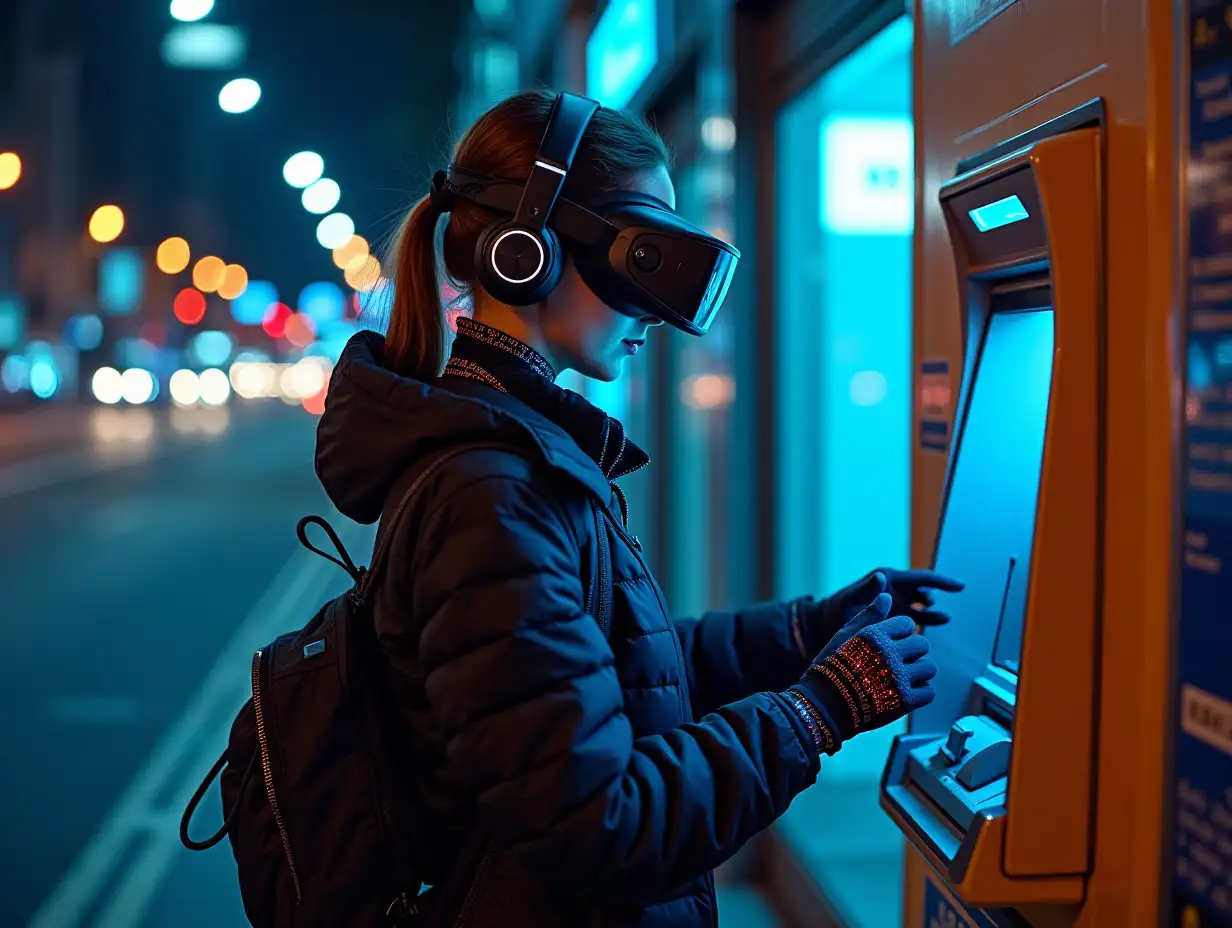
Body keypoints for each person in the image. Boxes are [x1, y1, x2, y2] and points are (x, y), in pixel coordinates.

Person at [314, 90, 961, 928]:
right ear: (530, 252)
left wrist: (803, 634)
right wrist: (821, 709)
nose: (659, 306)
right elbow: (596, 823)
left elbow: (607, 674)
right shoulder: (491, 493)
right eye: (641, 253)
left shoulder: (516, 456)